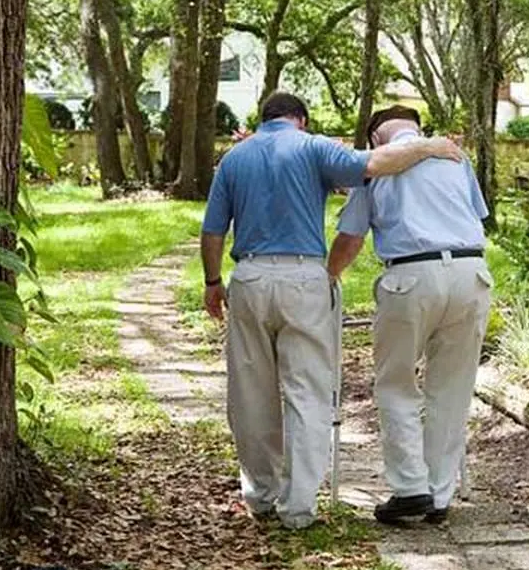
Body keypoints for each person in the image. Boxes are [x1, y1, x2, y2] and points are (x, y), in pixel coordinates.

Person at [201, 92, 463, 530]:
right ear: (300, 119)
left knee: (249, 390)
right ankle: (299, 507)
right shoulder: (314, 146)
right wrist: (430, 146)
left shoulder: (234, 159)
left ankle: (260, 495)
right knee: (307, 391)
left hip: (248, 277)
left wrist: (213, 282)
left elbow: (212, 231)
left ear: (263, 119)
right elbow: (376, 164)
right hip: (304, 276)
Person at [327, 105, 492, 525]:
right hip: (472, 272)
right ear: (416, 127)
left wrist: (326, 277)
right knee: (452, 388)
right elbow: (477, 217)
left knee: (396, 382)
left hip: (411, 275)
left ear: (375, 139)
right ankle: (439, 494)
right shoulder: (455, 156)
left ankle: (410, 488)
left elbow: (351, 238)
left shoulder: (377, 164)